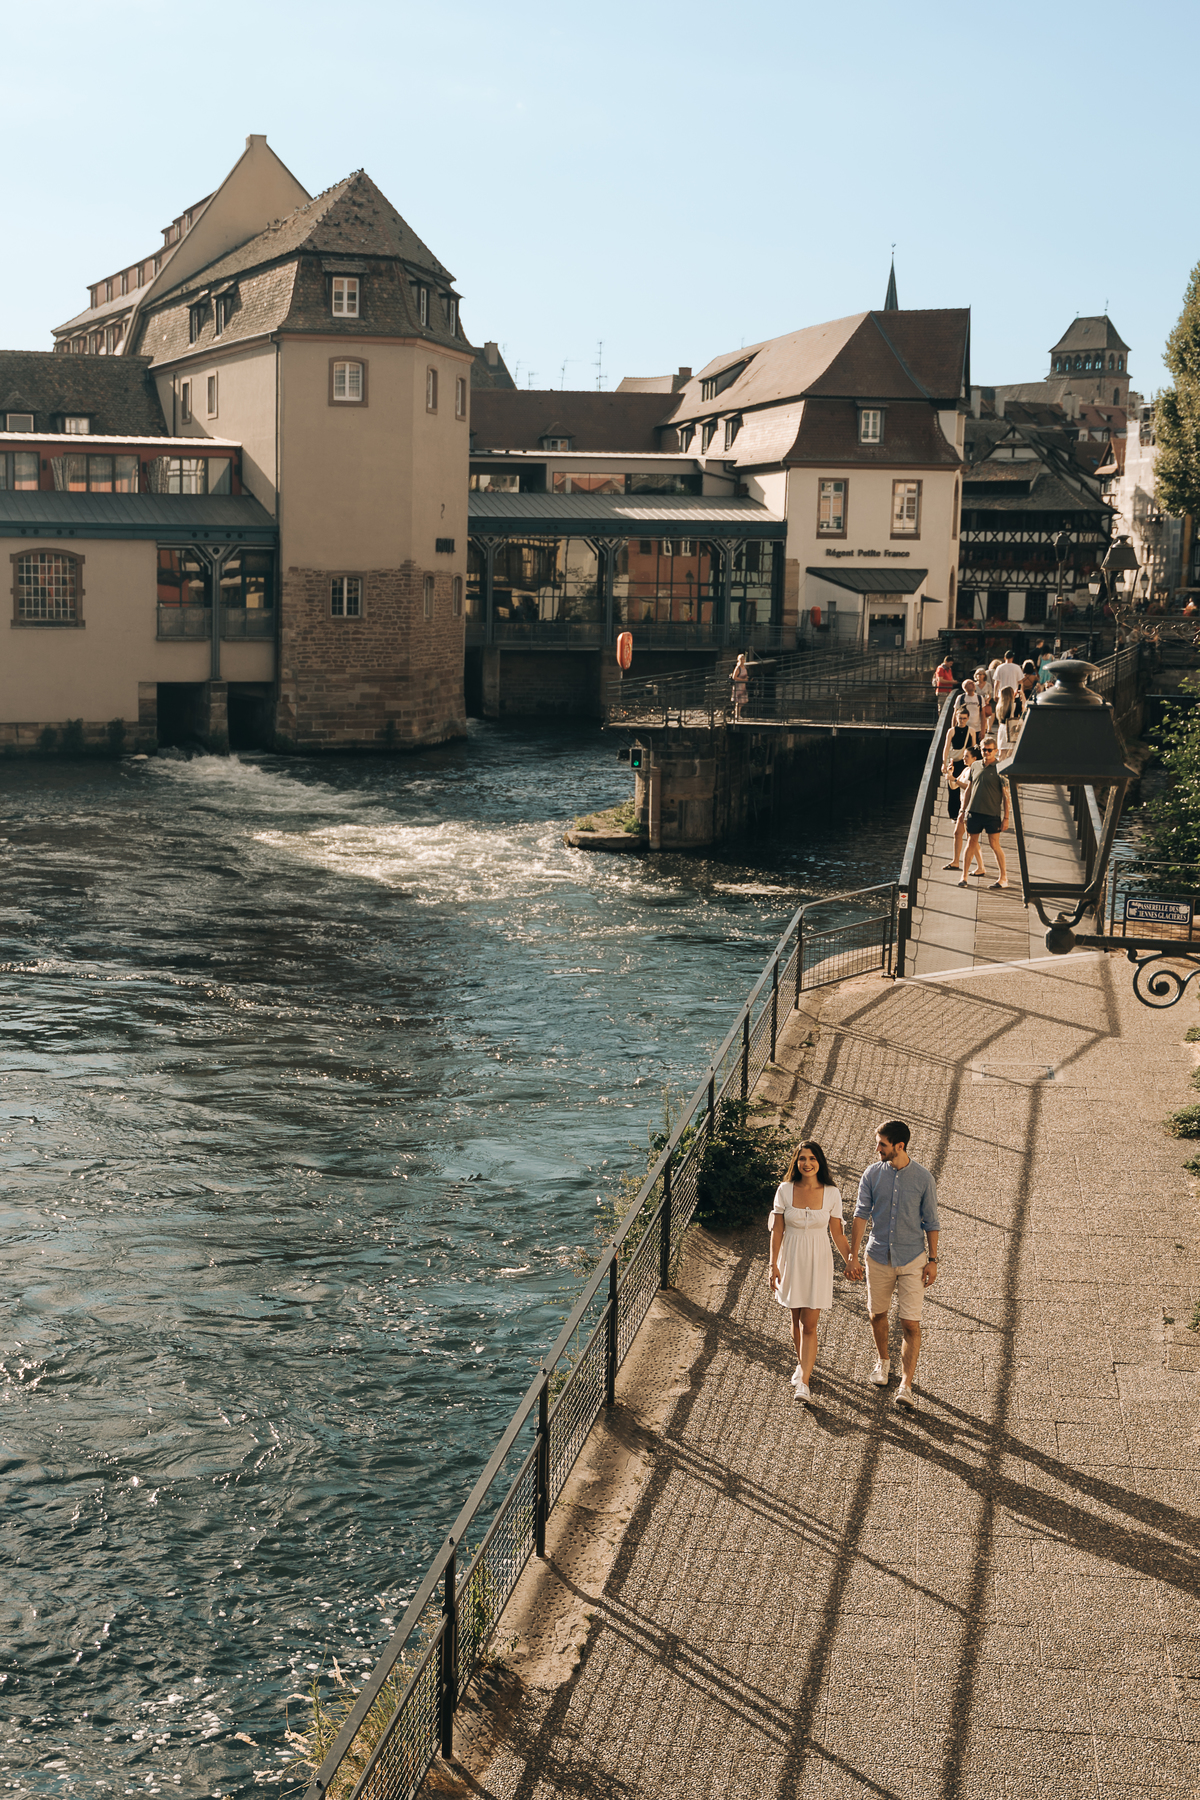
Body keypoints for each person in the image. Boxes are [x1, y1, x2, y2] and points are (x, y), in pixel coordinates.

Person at [848, 1121, 940, 1410]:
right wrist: (853, 1254)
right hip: (878, 1257)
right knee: (877, 1315)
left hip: (913, 1259)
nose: (877, 1149)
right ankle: (883, 1362)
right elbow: (861, 1214)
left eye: (882, 1144)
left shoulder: (923, 1178)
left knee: (910, 1323)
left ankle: (906, 1385)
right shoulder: (872, 1174)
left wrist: (934, 1260)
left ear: (899, 1146)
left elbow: (931, 1222)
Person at [768, 1139, 856, 1405]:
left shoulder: (831, 1193)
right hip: (791, 1258)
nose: (807, 1163)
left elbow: (837, 1232)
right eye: (802, 1158)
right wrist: (772, 1264)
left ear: (820, 1162)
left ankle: (804, 1381)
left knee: (810, 1323)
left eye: (812, 1158)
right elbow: (778, 1230)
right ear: (796, 1162)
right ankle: (802, 1365)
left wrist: (851, 1259)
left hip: (818, 1259)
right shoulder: (784, 1189)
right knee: (795, 1320)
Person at [956, 735, 1010, 889]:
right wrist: (963, 810)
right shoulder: (975, 766)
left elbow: (1006, 796)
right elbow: (969, 789)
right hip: (974, 811)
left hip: (992, 813)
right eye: (983, 750)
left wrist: (1006, 817)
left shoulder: (1001, 769)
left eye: (989, 750)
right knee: (971, 842)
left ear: (996, 751)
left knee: (994, 844)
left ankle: (1003, 878)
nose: (986, 753)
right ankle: (964, 876)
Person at [941, 704, 975, 872]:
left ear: (967, 718)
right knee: (952, 787)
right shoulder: (952, 731)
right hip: (955, 760)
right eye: (959, 718)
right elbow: (947, 747)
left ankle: (962, 811)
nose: (961, 721)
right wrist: (944, 762)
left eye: (964, 718)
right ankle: (953, 814)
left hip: (966, 761)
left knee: (964, 786)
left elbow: (974, 748)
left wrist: (975, 765)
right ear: (956, 718)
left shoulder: (971, 731)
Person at [730, 652, 749, 721]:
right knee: (739, 701)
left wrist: (746, 678)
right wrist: (742, 679)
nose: (742, 660)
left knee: (743, 701)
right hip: (738, 686)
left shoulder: (744, 667)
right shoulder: (738, 668)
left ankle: (736, 713)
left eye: (743, 659)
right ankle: (737, 715)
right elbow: (734, 677)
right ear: (738, 660)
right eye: (741, 659)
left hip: (743, 686)